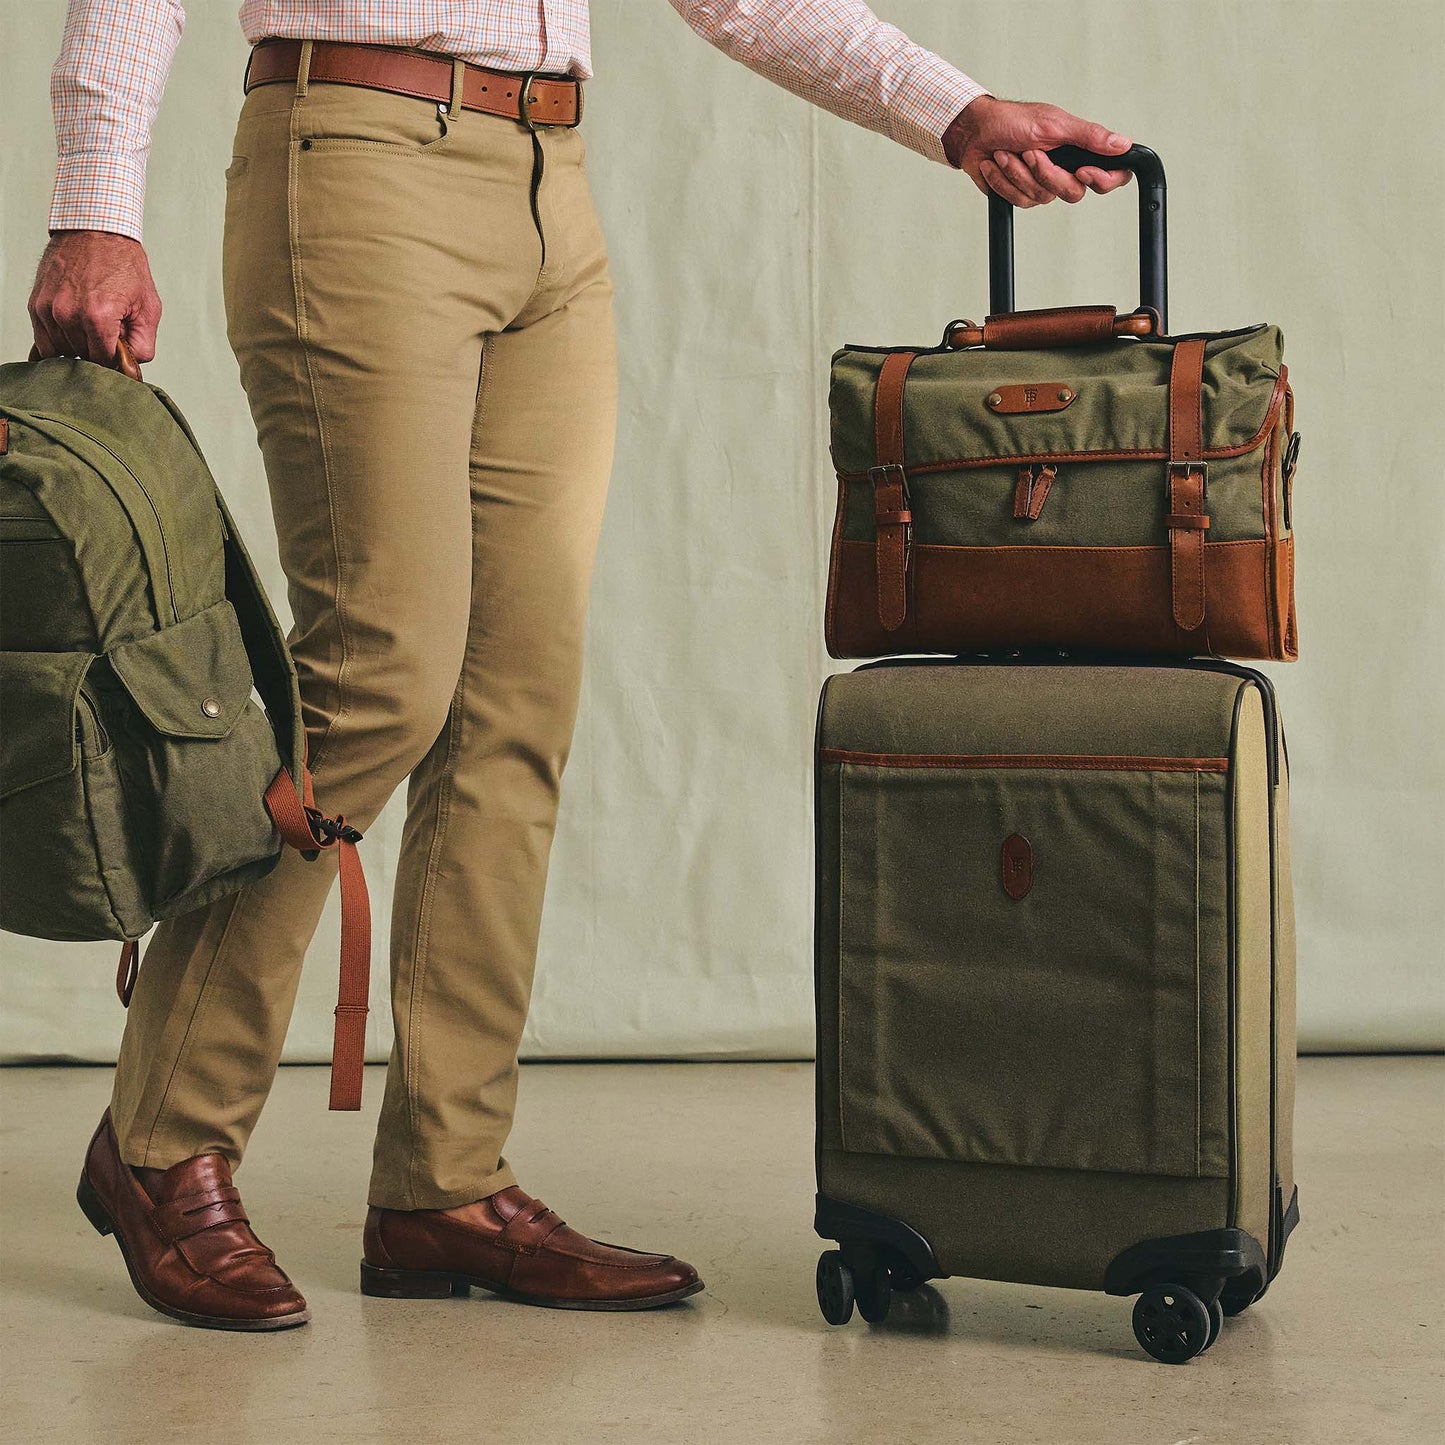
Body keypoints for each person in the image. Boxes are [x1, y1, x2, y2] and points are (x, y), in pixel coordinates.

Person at [28, 0, 1133, 1332]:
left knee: (514, 702)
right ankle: (162, 1138)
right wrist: (94, 203)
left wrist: (952, 109)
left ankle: (445, 1179)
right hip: (358, 157)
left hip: (550, 190)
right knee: (380, 673)